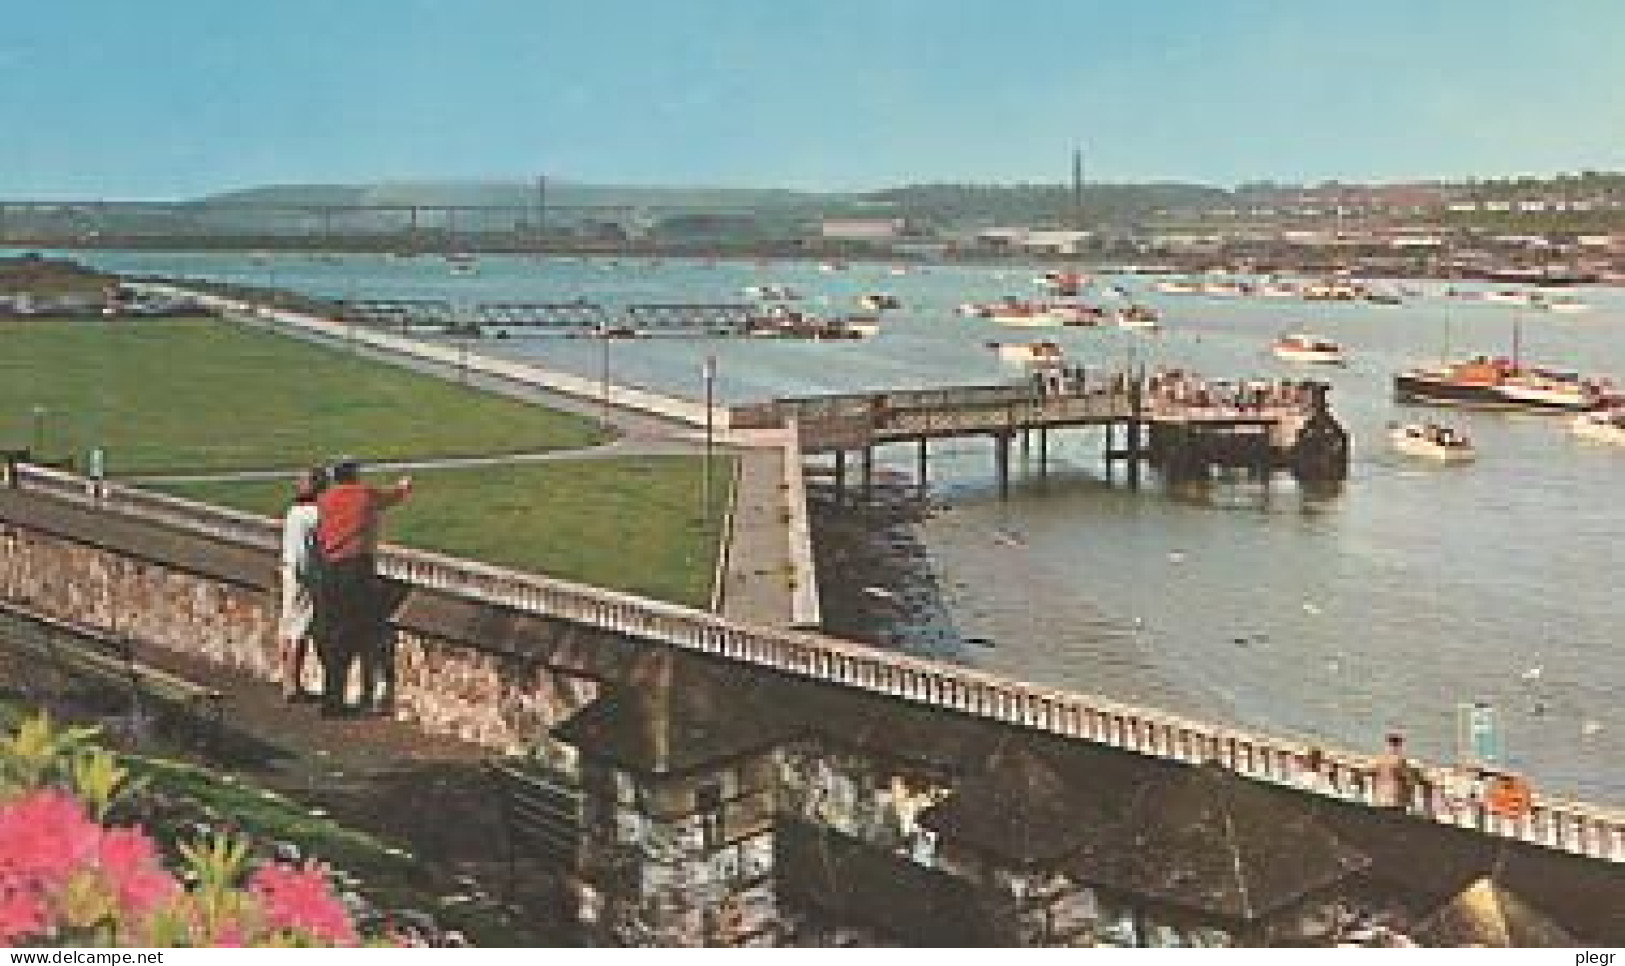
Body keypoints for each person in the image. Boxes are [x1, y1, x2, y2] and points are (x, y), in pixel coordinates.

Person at [314, 459, 412, 717]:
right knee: (358, 633)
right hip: (356, 568)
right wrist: (404, 486)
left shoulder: (325, 499)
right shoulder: (363, 495)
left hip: (330, 569)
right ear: (355, 476)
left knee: (332, 634)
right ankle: (356, 696)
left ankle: (332, 697)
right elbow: (392, 497)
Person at [278, 469, 326, 701]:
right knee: (300, 631)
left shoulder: (293, 512)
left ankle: (287, 680)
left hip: (289, 573)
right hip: (304, 577)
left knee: (288, 628)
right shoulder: (315, 514)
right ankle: (292, 684)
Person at [1371, 732, 1424, 812]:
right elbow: (1416, 782)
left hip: (1380, 802)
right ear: (1401, 746)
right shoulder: (1402, 764)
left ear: (1387, 745)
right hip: (1396, 805)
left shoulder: (1378, 762)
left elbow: (1365, 777)